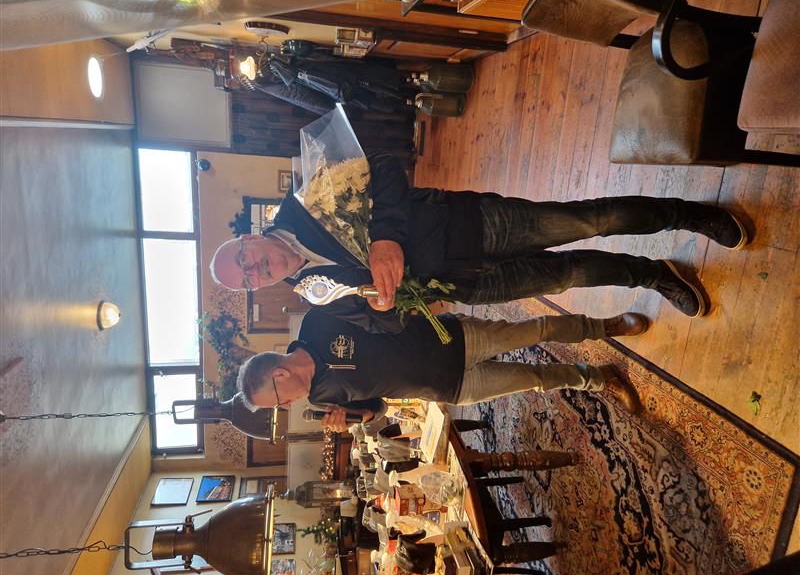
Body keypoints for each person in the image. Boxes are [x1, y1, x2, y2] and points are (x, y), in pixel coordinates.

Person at [211, 153, 748, 332]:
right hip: (467, 285)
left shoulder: (308, 199)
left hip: (471, 224)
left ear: (248, 238)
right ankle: (652, 275)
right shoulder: (313, 293)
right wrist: (387, 308)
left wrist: (386, 235)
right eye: (249, 282)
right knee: (570, 276)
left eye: (244, 260)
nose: (256, 271)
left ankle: (688, 214)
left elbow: (387, 168)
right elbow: (378, 325)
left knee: (588, 221)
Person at [236, 308, 652, 431]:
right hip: (450, 387)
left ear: (278, 375)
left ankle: (603, 326)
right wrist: (352, 419)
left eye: (278, 401)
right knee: (535, 380)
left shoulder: (317, 322)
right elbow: (378, 407)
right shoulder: (320, 399)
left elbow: (375, 305)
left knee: (535, 330)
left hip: (452, 339)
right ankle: (600, 378)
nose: (286, 407)